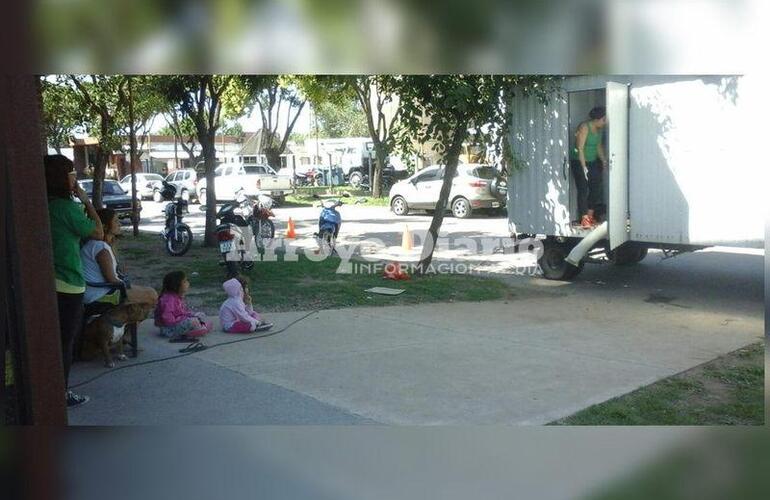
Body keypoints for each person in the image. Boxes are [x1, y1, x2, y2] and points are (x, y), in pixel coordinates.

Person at [44, 155, 104, 408]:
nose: (75, 178)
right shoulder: (66, 208)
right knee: (65, 343)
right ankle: (61, 393)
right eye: (71, 174)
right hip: (68, 282)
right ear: (61, 178)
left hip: (51, 282)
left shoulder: (44, 204)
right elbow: (98, 231)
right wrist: (86, 200)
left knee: (52, 341)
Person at [80, 208, 158, 308]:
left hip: (99, 291)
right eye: (116, 221)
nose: (119, 224)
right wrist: (128, 286)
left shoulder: (99, 245)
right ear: (104, 226)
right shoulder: (100, 248)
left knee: (147, 295)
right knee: (151, 296)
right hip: (98, 295)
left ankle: (124, 322)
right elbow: (112, 279)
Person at [570, 106, 608, 228]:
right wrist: (584, 167)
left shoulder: (599, 129)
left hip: (592, 161)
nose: (605, 122)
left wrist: (603, 160)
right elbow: (580, 148)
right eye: (604, 120)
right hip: (579, 161)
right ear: (598, 119)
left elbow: (598, 146)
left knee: (596, 187)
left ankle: (590, 217)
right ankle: (584, 219)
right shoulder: (584, 127)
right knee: (583, 189)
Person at [154, 271, 212, 343]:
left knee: (201, 315)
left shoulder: (177, 297)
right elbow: (167, 318)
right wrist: (182, 319)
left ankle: (200, 326)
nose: (188, 283)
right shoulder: (169, 299)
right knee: (192, 321)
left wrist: (190, 315)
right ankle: (192, 331)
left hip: (178, 322)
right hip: (169, 329)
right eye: (185, 281)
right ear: (176, 285)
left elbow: (182, 311)